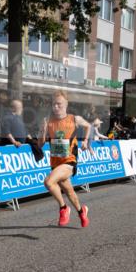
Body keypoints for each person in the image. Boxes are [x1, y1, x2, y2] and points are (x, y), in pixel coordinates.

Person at [40, 91, 91, 227]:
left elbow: (88, 126)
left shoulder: (74, 119)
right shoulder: (48, 121)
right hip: (55, 163)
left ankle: (63, 208)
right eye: (54, 104)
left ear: (66, 104)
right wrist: (42, 131)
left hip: (69, 161)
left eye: (59, 104)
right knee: (69, 191)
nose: (56, 107)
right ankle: (82, 211)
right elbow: (40, 144)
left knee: (49, 182)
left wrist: (85, 141)